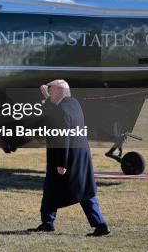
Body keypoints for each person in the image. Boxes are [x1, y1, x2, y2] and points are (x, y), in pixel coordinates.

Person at [28, 79, 110, 237]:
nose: (49, 91)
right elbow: (53, 109)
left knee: (61, 190)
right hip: (81, 156)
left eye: (51, 90)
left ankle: (49, 223)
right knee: (79, 190)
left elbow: (62, 137)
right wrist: (47, 96)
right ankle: (49, 222)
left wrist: (62, 163)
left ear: (58, 92)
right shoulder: (74, 103)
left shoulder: (61, 111)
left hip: (66, 157)